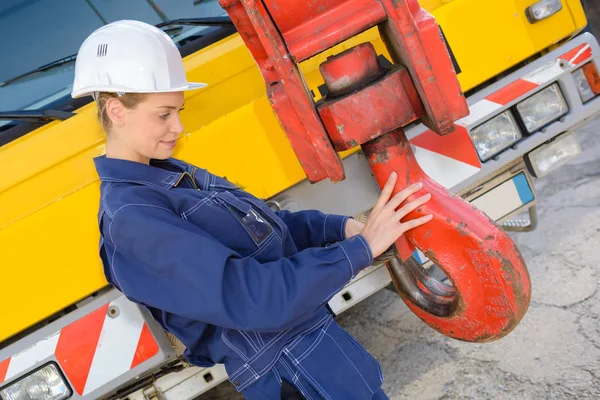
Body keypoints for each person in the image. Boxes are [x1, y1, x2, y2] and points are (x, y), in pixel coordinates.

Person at [72, 20, 433, 400]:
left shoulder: (166, 176)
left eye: (178, 110)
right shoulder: (132, 219)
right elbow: (254, 299)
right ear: (116, 111)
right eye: (163, 114)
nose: (178, 127)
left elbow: (265, 229)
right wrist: (361, 250)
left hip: (315, 358)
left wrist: (340, 229)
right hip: (293, 376)